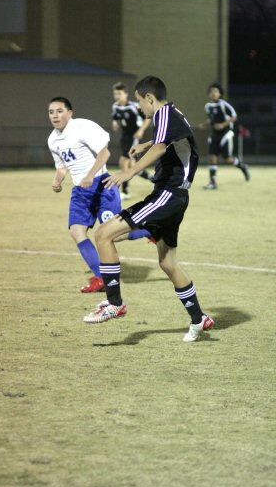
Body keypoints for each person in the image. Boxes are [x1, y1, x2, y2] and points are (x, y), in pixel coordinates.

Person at [83, 76, 214, 343]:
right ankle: (199, 318)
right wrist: (145, 146)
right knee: (167, 262)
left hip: (167, 195)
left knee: (103, 234)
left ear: (150, 98)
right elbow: (178, 143)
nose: (140, 107)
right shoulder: (174, 113)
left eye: (140, 101)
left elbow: (163, 145)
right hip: (175, 196)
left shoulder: (163, 113)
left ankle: (114, 303)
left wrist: (129, 171)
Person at [48, 96, 151, 294]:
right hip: (80, 191)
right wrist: (57, 180)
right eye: (51, 112)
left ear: (70, 113)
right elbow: (62, 167)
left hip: (102, 185)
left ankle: (150, 230)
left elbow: (104, 154)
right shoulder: (53, 139)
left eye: (59, 111)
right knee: (76, 232)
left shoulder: (82, 127)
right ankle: (101, 277)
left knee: (112, 235)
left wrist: (90, 175)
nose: (55, 115)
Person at [198, 82, 250, 189]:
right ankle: (213, 183)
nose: (213, 93)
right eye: (211, 91)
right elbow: (211, 119)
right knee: (212, 157)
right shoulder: (208, 106)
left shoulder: (223, 104)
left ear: (220, 94)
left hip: (226, 134)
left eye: (216, 91)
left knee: (227, 159)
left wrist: (223, 124)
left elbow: (234, 116)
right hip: (214, 134)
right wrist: (205, 124)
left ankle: (242, 166)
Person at [111, 82, 152, 199]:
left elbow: (147, 118)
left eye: (119, 93)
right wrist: (115, 123)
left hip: (134, 137)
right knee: (133, 167)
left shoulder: (134, 106)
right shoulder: (115, 106)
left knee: (123, 162)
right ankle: (153, 179)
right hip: (124, 137)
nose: (117, 96)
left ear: (126, 94)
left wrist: (141, 131)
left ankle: (125, 191)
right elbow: (115, 117)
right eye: (115, 94)